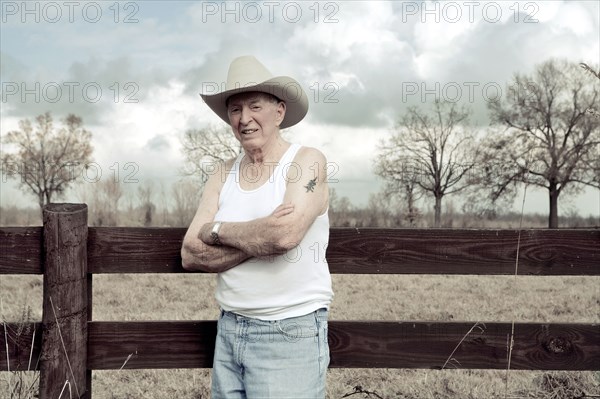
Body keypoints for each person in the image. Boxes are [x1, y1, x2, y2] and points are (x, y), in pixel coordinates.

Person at [181, 55, 334, 399]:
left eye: (255, 106)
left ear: (279, 112)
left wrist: (217, 231)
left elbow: (284, 235)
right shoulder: (223, 173)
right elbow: (191, 252)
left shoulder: (306, 162)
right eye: (235, 110)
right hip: (230, 328)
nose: (244, 119)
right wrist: (259, 235)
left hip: (289, 331)